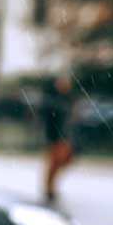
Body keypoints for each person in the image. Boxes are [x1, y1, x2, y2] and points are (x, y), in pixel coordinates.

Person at [41, 72, 77, 203]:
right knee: (55, 162)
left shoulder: (68, 99)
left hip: (65, 136)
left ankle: (50, 187)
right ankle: (49, 188)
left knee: (63, 161)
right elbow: (50, 119)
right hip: (56, 136)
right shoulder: (53, 100)